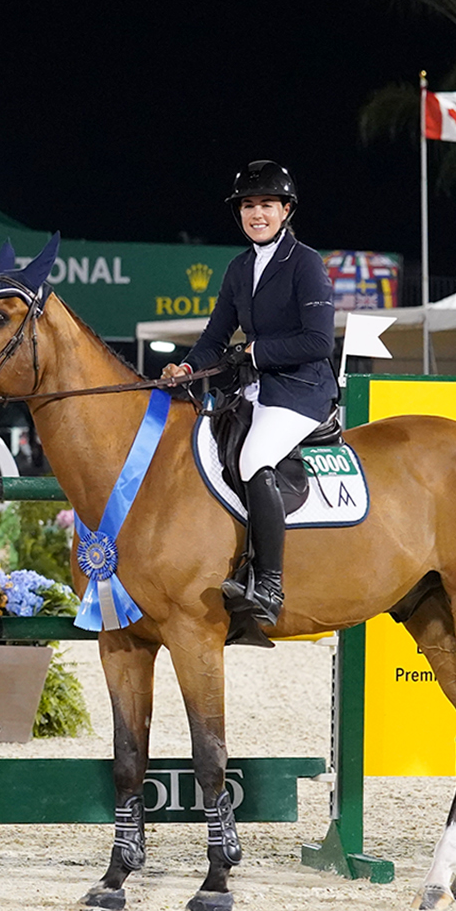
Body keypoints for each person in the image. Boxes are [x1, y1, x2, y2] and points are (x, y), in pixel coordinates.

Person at [163, 160, 337, 627]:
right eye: (247, 205)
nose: (256, 213)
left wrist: (257, 352)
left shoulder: (306, 264)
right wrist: (186, 366)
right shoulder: (240, 268)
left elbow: (319, 341)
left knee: (253, 459)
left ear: (285, 210)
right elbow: (214, 337)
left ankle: (270, 585)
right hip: (258, 391)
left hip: (303, 390)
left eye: (266, 205)